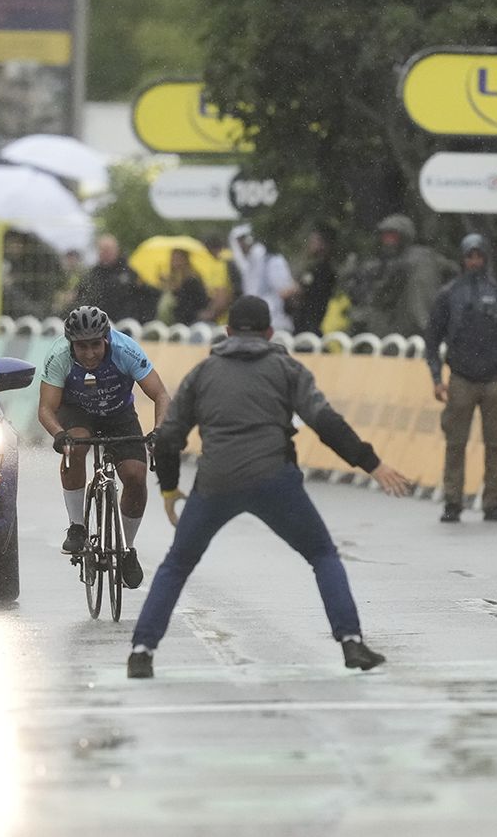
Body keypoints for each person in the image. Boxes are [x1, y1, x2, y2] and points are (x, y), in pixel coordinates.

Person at [133, 296, 410, 678]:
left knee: (177, 564)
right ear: (269, 333)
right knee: (322, 555)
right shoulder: (287, 369)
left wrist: (169, 488)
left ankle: (141, 651)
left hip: (216, 482)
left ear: (227, 331)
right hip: (274, 479)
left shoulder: (203, 374)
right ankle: (351, 642)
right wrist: (372, 464)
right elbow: (325, 422)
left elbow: (168, 438)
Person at [39, 305, 171, 588]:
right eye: (81, 347)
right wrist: (59, 435)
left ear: (107, 339)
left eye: (95, 345)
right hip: (77, 412)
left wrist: (159, 431)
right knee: (75, 447)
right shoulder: (59, 356)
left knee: (135, 475)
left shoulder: (125, 350)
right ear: (71, 344)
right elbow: (46, 409)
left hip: (118, 414)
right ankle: (77, 526)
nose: (89, 354)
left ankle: (127, 548)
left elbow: (160, 394)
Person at [424, 234, 497, 523]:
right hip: (461, 378)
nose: (474, 262)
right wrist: (436, 378)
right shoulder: (449, 295)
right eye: (470, 256)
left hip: (494, 378)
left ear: (486, 258)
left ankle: (493, 501)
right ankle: (452, 500)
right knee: (455, 443)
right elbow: (432, 339)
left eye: (479, 256)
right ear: (462, 258)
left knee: (495, 444)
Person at [355, 214, 455, 338]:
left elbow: (451, 270)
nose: (388, 241)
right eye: (385, 236)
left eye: (393, 236)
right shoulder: (379, 263)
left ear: (404, 237)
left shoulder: (418, 258)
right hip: (397, 327)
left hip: (411, 325)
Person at [70, 235, 156, 325]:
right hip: (99, 324)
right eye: (103, 250)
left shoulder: (129, 272)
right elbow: (80, 296)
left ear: (117, 250)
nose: (106, 253)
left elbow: (146, 295)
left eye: (109, 249)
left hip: (126, 323)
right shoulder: (92, 275)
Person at [228, 223, 299, 332]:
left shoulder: (271, 260)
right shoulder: (249, 263)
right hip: (255, 325)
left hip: (275, 325)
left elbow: (286, 290)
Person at [291, 226, 338, 336]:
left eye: (314, 241)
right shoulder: (316, 267)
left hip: (309, 324)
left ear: (323, 244)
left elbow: (300, 290)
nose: (310, 245)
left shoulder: (321, 269)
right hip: (305, 323)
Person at [159, 248, 209, 327]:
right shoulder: (174, 279)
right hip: (179, 321)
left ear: (185, 260)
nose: (174, 262)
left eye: (178, 259)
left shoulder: (192, 280)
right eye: (173, 259)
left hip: (192, 321)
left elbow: (190, 304)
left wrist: (176, 291)